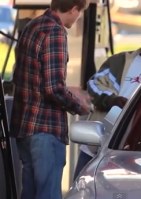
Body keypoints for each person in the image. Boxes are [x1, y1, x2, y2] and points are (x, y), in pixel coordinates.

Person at [73, 14, 141, 180]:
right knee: (83, 190)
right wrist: (113, 101)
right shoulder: (119, 61)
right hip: (100, 142)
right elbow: (94, 84)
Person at [9, 1, 90, 199]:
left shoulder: (33, 25)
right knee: (48, 193)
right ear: (73, 9)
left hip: (25, 127)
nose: (77, 17)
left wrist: (68, 92)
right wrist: (80, 105)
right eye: (79, 13)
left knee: (29, 192)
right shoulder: (55, 32)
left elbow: (27, 76)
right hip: (46, 129)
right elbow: (54, 89)